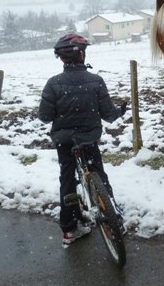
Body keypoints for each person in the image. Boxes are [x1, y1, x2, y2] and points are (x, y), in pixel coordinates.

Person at [38, 33, 127, 245]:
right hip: (89, 139)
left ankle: (70, 228)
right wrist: (120, 111)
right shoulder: (96, 81)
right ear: (82, 55)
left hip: (65, 142)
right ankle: (115, 220)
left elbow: (44, 117)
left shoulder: (53, 84)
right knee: (98, 174)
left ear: (62, 59)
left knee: (68, 180)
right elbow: (108, 114)